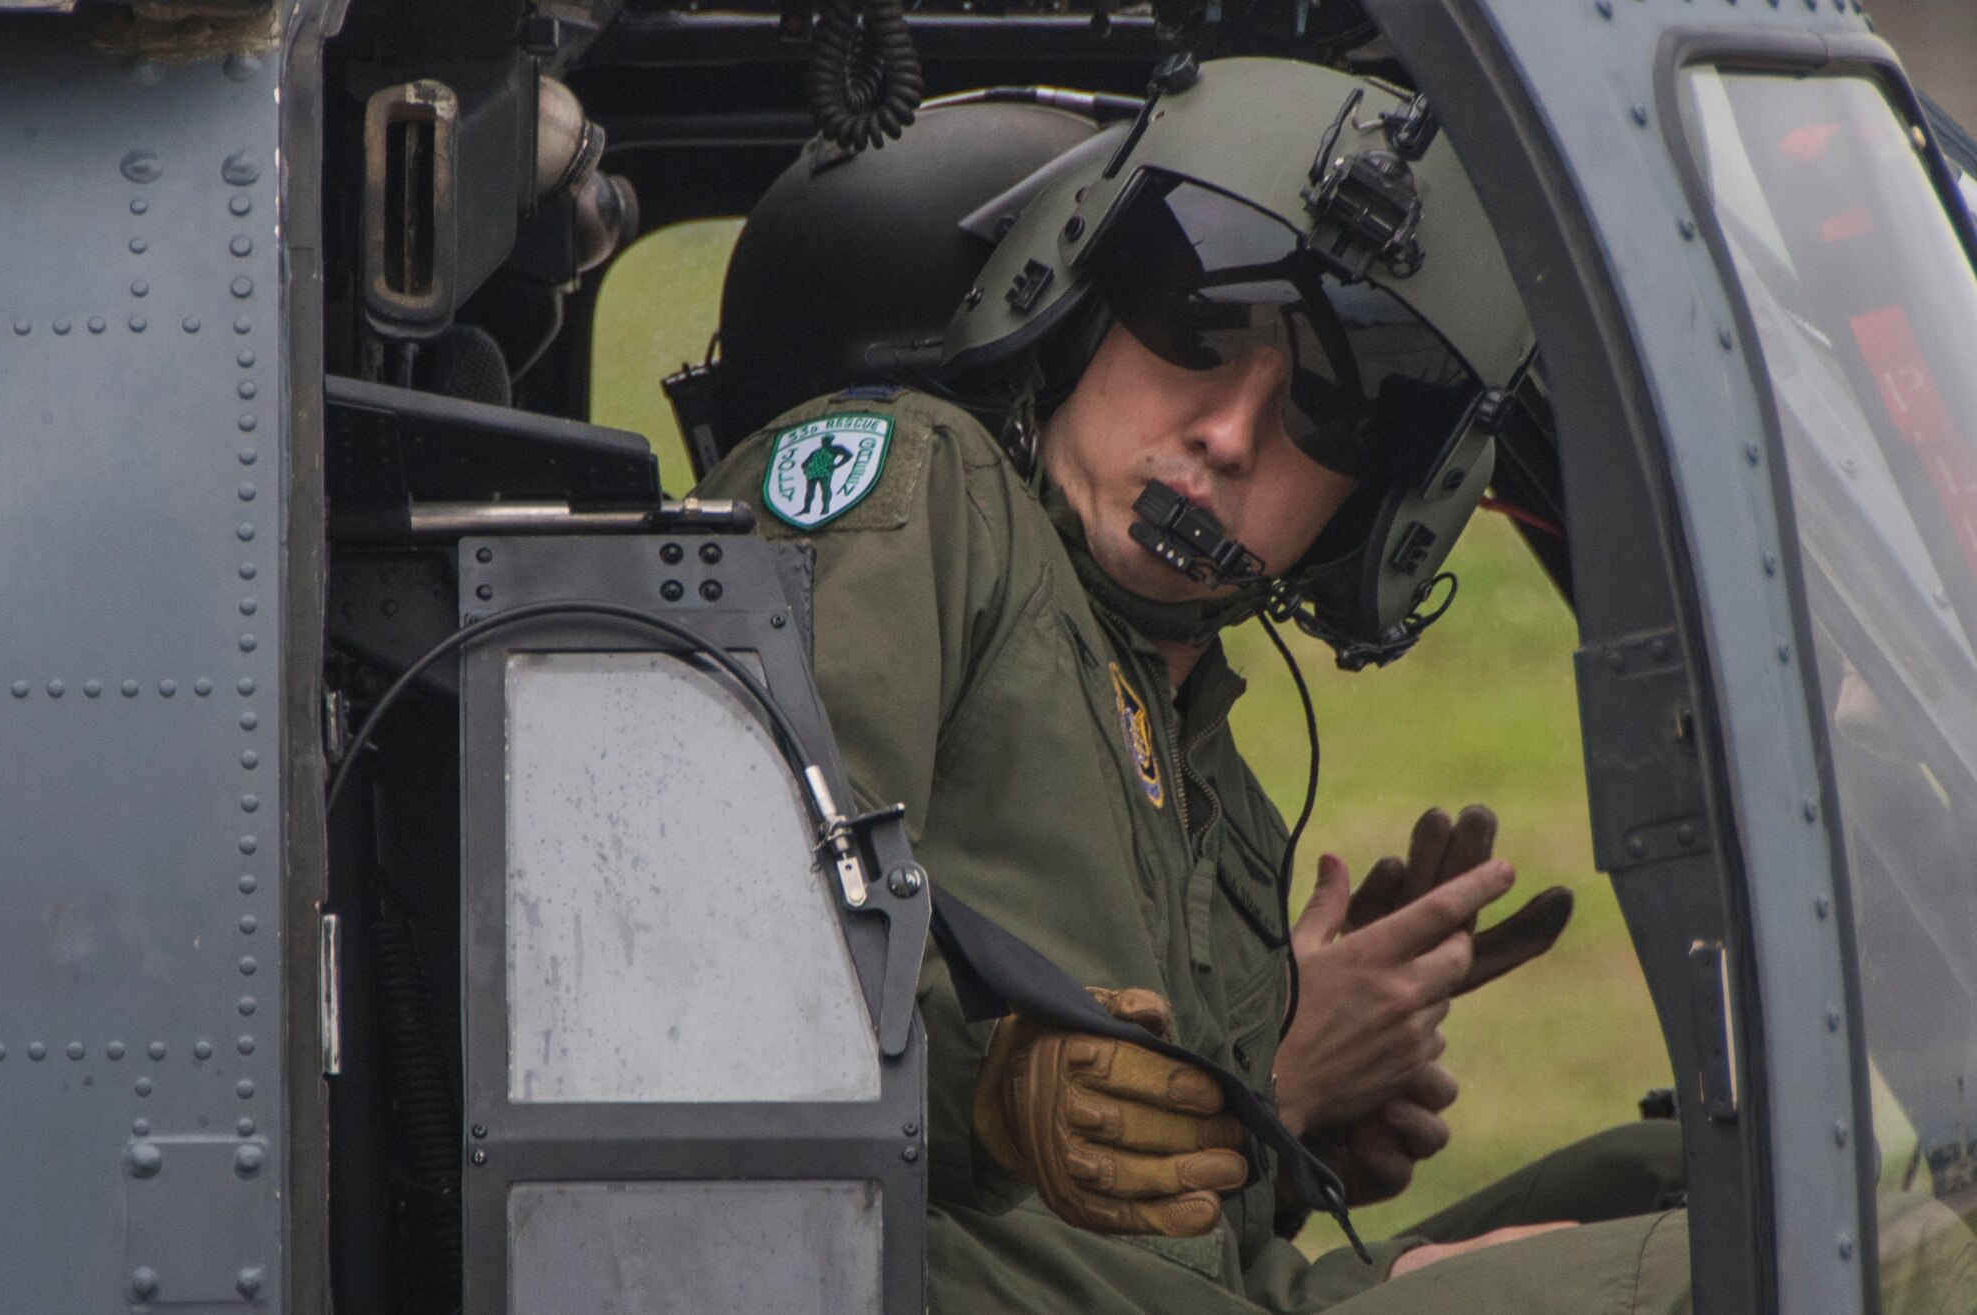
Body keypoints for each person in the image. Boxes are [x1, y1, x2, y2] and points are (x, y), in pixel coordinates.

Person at [693, 55, 1691, 1314]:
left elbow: (1148, 1228)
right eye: (1194, 327)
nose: (1227, 435)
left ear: (1386, 507)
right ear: (1075, 296)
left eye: (1333, 411)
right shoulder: (922, 493)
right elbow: (706, 955)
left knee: (1680, 1175)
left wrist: (1288, 1119)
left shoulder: (1199, 759)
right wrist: (996, 1088)